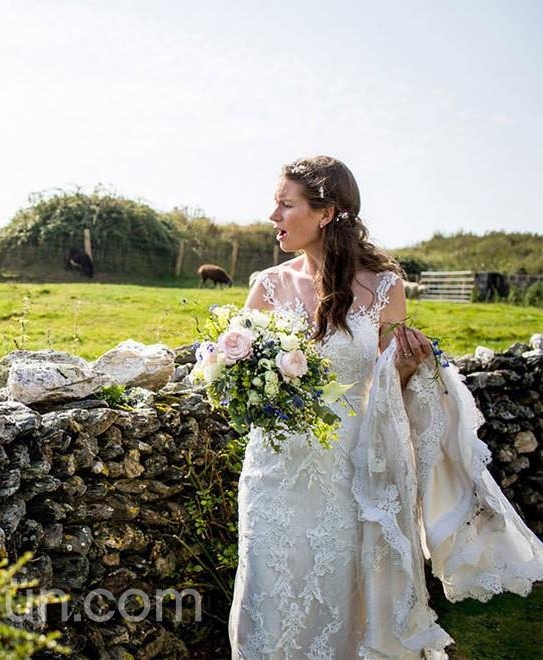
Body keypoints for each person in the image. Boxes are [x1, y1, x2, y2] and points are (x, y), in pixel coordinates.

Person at [229, 155, 543, 658]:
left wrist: (406, 367)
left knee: (343, 584)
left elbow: (385, 387)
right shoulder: (267, 285)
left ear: (326, 212)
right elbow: (235, 364)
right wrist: (238, 376)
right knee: (271, 581)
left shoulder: (385, 287)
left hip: (349, 464)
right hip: (276, 464)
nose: (273, 216)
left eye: (285, 205)